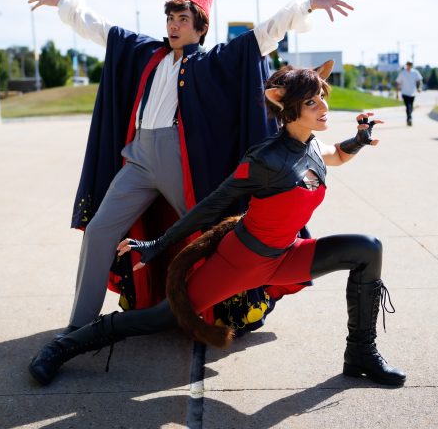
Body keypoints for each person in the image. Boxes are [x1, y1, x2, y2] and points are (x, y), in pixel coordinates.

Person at [27, 0, 355, 338]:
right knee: (100, 229)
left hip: (179, 164)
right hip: (138, 159)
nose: (173, 25)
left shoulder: (213, 61)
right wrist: (62, 3)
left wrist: (308, 6)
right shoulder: (143, 51)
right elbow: (99, 28)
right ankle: (79, 325)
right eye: (170, 18)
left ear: (200, 28)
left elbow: (264, 34)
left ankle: (217, 309)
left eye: (183, 19)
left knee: (210, 236)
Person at [29, 62, 406, 388]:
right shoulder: (265, 159)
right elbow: (212, 205)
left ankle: (360, 353)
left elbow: (337, 154)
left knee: (367, 249)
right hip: (240, 261)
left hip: (286, 254)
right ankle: (61, 347)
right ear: (284, 105)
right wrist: (158, 243)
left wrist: (359, 140)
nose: (324, 106)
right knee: (160, 317)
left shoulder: (312, 147)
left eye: (321, 96)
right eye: (312, 102)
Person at [395, 61, 422, 126]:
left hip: (413, 92)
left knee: (411, 106)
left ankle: (409, 118)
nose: (409, 66)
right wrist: (397, 93)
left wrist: (418, 88)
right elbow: (398, 82)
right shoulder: (402, 73)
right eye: (408, 65)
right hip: (404, 92)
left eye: (410, 65)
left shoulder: (415, 72)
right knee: (408, 106)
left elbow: (418, 80)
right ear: (406, 65)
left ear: (411, 66)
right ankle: (409, 119)